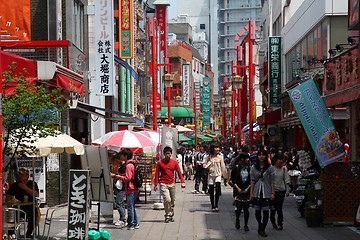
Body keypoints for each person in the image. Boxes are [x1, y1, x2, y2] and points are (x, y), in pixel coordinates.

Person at [154, 146, 186, 223]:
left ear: (171, 154)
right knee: (167, 199)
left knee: (171, 201)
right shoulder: (160, 163)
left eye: (169, 153)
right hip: (163, 183)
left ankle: (171, 213)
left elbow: (179, 172)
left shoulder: (174, 162)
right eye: (166, 154)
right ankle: (167, 215)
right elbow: (157, 174)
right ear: (164, 154)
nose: (168, 155)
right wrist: (155, 184)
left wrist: (182, 181)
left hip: (172, 184)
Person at [7, 168, 39, 238]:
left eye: (22, 174)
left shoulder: (32, 184)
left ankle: (28, 233)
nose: (20, 176)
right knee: (11, 213)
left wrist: (25, 188)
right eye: (19, 174)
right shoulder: (15, 185)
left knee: (33, 214)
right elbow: (8, 195)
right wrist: (11, 200)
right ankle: (11, 234)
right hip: (18, 207)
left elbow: (36, 194)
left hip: (30, 206)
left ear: (27, 176)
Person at [250, 148, 275, 238]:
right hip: (257, 192)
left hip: (267, 192)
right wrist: (251, 193)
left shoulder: (270, 167)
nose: (261, 157)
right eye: (260, 155)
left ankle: (263, 228)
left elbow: (272, 181)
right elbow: (252, 181)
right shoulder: (253, 167)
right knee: (257, 212)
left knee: (266, 212)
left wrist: (273, 193)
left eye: (263, 155)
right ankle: (260, 225)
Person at [116, 148, 140, 230]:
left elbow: (128, 178)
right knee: (132, 206)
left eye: (122, 155)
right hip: (134, 188)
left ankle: (131, 224)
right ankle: (136, 223)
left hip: (131, 188)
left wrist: (118, 176)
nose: (121, 157)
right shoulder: (132, 164)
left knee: (130, 207)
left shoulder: (129, 165)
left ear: (125, 156)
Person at [229, 152, 251, 231]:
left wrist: (247, 189)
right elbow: (232, 180)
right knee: (238, 209)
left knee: (246, 209)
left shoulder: (249, 168)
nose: (248, 160)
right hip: (238, 191)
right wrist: (238, 189)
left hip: (247, 191)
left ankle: (246, 224)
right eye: (246, 158)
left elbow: (252, 181)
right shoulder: (236, 168)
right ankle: (237, 219)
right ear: (242, 159)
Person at [203, 143, 227, 212]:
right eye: (216, 147)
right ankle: (213, 205)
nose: (217, 149)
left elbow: (223, 166)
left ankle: (216, 204)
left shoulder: (220, 157)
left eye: (218, 148)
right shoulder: (208, 157)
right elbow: (204, 164)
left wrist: (225, 177)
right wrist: (207, 167)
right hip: (210, 175)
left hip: (218, 175)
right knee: (211, 190)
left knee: (218, 188)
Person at [270, 152, 290, 231]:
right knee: (272, 208)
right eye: (279, 159)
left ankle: (280, 223)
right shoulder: (271, 169)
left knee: (279, 207)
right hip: (272, 191)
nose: (281, 161)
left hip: (281, 191)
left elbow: (287, 180)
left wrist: (287, 190)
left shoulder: (284, 169)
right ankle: (273, 221)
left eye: (282, 160)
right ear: (275, 160)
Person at [110, 151, 127, 228]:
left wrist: (115, 175)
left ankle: (123, 219)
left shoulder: (124, 166)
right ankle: (123, 219)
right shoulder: (122, 166)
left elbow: (123, 176)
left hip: (120, 187)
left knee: (119, 204)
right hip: (120, 186)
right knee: (121, 203)